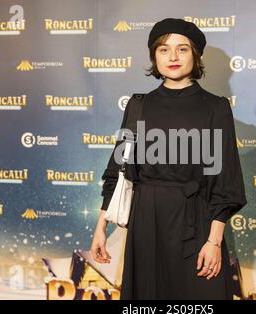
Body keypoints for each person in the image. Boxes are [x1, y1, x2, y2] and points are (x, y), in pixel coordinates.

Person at [91, 18, 247, 299]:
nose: (172, 57)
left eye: (182, 49)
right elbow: (117, 170)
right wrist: (101, 227)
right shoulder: (138, 106)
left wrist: (214, 241)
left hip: (197, 222)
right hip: (146, 223)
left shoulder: (216, 108)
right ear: (154, 56)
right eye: (163, 50)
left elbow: (226, 183)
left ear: (195, 56)